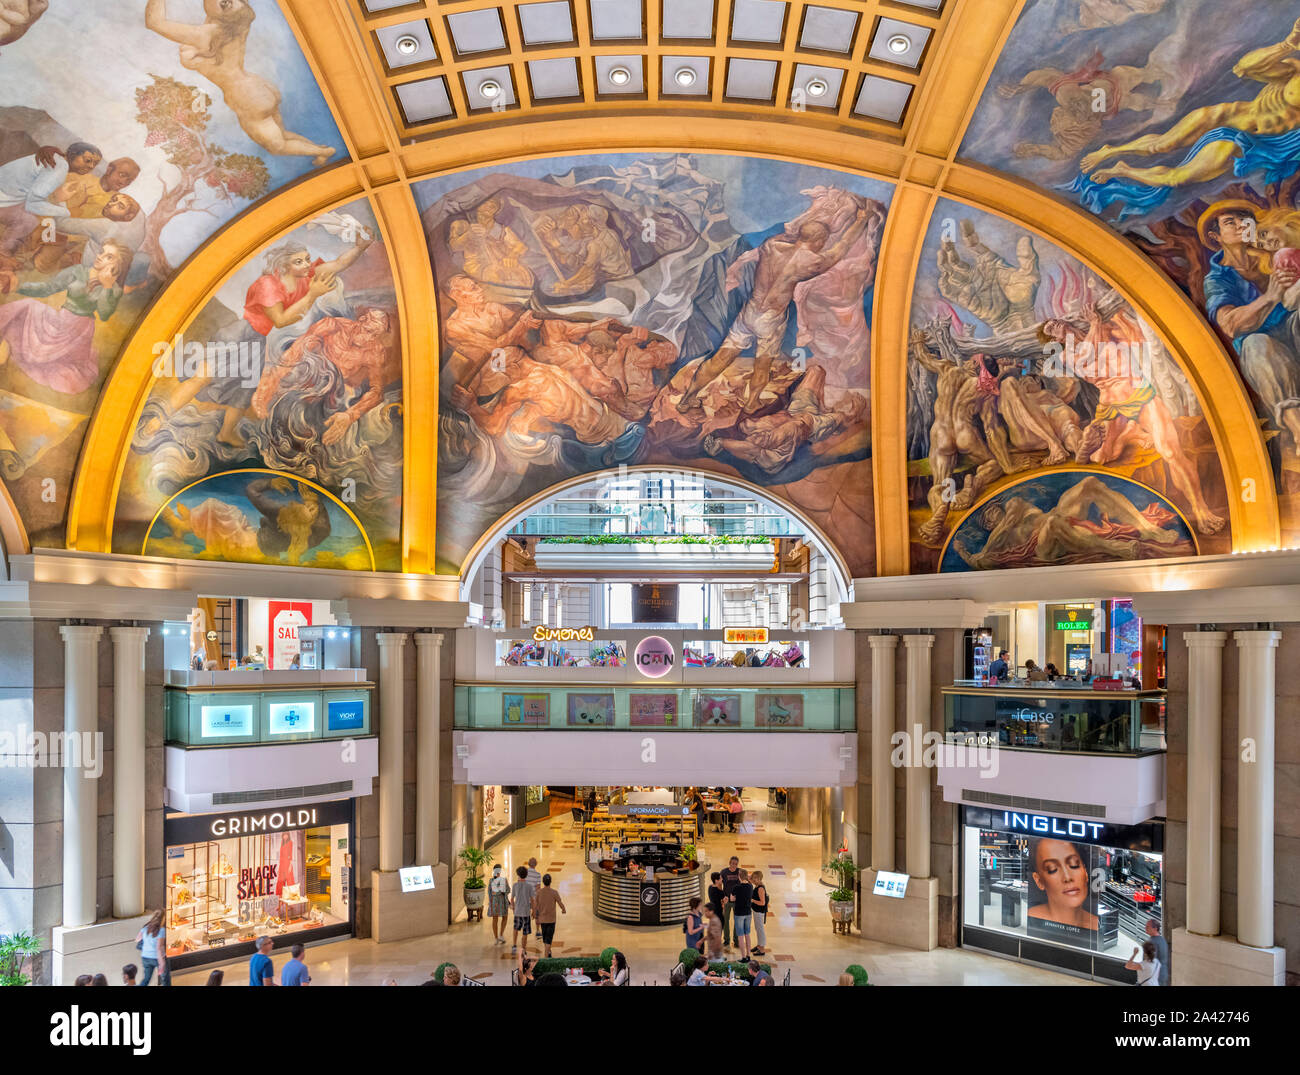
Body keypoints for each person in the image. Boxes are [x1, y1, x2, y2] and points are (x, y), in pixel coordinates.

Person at [144, 0, 336, 166]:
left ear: (225, 10)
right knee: (282, 133)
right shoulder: (237, 24)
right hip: (259, 86)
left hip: (246, 99)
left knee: (277, 146)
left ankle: (324, 152)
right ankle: (319, 149)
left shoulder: (207, 34)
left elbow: (154, 22)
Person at [1028, 839, 1100, 931]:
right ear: (1039, 881)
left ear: (1085, 872)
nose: (1067, 877)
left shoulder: (1096, 925)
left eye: (1074, 864)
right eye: (1052, 869)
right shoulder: (1032, 919)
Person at [533, 873, 566, 958]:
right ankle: (546, 957)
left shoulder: (539, 892)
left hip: (542, 920)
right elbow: (559, 902)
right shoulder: (554, 892)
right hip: (551, 920)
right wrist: (563, 909)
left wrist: (534, 914)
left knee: (545, 938)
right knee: (548, 939)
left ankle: (548, 952)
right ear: (550, 882)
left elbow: (535, 905)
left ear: (543, 882)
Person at [135, 910, 168, 987]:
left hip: (145, 957)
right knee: (165, 979)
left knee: (146, 980)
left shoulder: (145, 928)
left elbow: (137, 939)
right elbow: (158, 948)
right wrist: (162, 963)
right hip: (156, 958)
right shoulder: (161, 930)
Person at [731, 869, 755, 960]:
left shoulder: (736, 887)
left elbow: (732, 899)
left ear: (739, 876)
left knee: (740, 936)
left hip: (739, 913)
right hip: (748, 913)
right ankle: (749, 955)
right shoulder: (750, 886)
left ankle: (743, 957)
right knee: (747, 934)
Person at [509, 864, 533, 955]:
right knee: (525, 932)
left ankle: (514, 946)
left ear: (518, 875)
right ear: (526, 875)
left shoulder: (515, 885)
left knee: (516, 928)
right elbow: (532, 900)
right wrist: (534, 910)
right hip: (526, 912)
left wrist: (513, 908)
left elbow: (512, 899)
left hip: (517, 912)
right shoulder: (529, 886)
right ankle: (523, 949)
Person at [719, 856, 741, 949]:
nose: (734, 866)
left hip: (737, 901)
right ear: (729, 862)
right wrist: (722, 897)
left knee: (737, 921)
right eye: (732, 863)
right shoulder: (724, 872)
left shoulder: (740, 872)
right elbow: (720, 884)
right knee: (726, 921)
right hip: (727, 900)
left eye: (736, 864)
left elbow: (745, 882)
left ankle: (736, 941)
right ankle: (726, 940)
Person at [487, 863, 510, 945]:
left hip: (495, 902)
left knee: (496, 919)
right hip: (501, 902)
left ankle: (497, 937)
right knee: (503, 918)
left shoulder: (491, 881)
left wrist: (490, 902)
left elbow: (489, 893)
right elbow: (508, 890)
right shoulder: (504, 880)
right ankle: (500, 935)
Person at [750, 871, 769, 957]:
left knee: (760, 929)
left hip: (759, 912)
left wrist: (753, 900)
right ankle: (759, 945)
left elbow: (762, 903)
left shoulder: (760, 888)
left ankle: (762, 949)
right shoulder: (758, 885)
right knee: (758, 929)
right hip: (756, 911)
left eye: (754, 878)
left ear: (759, 879)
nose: (753, 880)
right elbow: (749, 879)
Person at [1145, 919, 1170, 986]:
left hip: (1155, 977)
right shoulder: (1162, 940)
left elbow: (1150, 962)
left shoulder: (1152, 942)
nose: (1145, 928)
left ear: (1155, 929)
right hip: (1163, 974)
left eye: (1148, 926)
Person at [706, 871, 728, 948]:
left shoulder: (710, 888)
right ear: (716, 880)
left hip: (712, 912)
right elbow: (724, 902)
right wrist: (725, 901)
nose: (722, 880)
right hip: (718, 913)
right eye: (720, 879)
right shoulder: (720, 892)